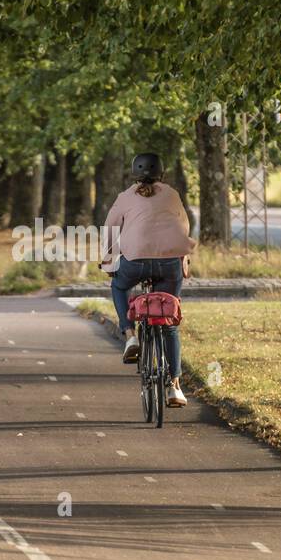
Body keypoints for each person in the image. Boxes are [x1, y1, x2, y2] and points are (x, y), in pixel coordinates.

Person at [99, 152, 195, 408]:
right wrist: (183, 257)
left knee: (119, 285)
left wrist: (109, 262)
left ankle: (130, 334)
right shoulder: (172, 195)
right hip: (169, 263)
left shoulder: (125, 197)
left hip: (134, 262)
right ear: (162, 173)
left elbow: (109, 228)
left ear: (134, 174)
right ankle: (174, 387)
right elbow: (184, 226)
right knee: (169, 320)